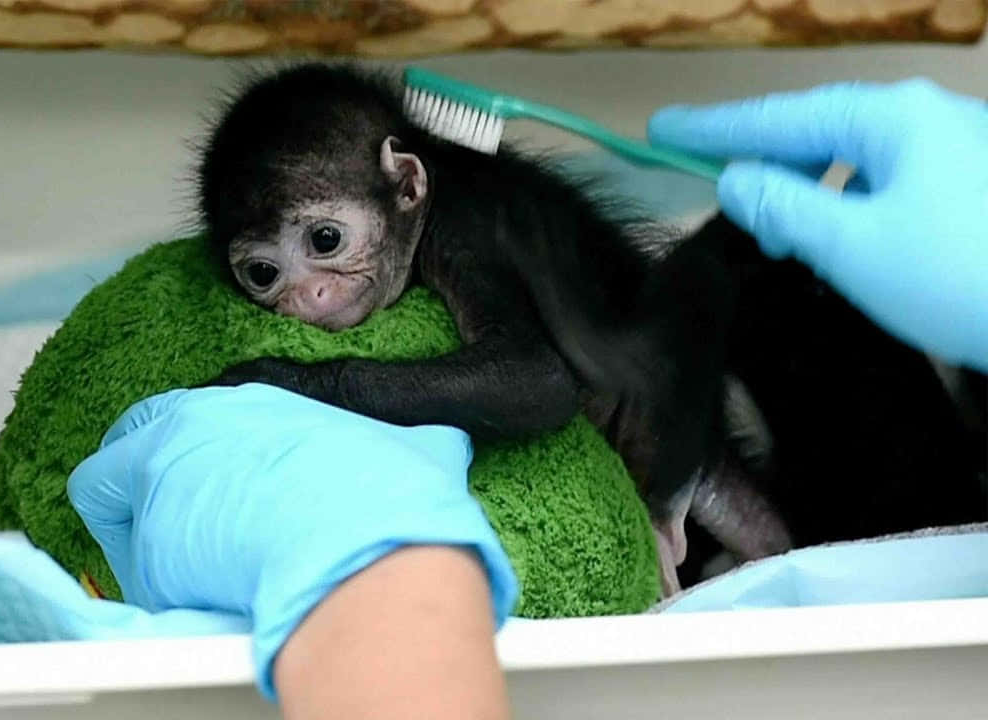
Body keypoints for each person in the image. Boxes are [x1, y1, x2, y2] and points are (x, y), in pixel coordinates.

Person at [67, 77, 988, 720]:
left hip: (657, 418)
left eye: (323, 239)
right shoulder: (416, 239)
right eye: (264, 272)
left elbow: (537, 387)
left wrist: (313, 384)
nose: (308, 295)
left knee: (758, 287)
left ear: (408, 185)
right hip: (683, 413)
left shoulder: (465, 223)